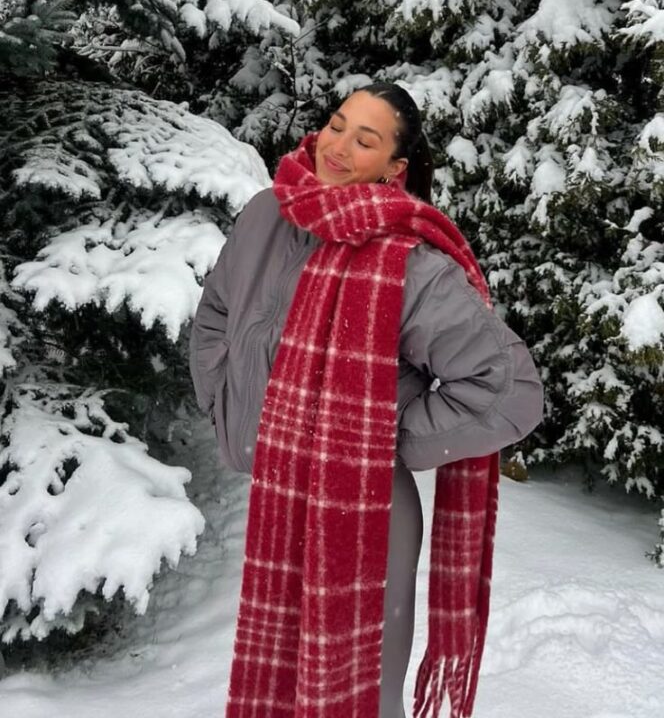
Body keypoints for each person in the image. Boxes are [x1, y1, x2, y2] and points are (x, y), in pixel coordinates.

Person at [189, 82, 543, 718]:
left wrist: (370, 438)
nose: (339, 146)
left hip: (365, 512)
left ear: (395, 168)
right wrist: (222, 394)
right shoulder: (267, 214)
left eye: (366, 140)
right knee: (287, 682)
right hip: (280, 496)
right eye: (337, 124)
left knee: (357, 698)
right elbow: (217, 311)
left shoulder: (410, 263)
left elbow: (507, 391)